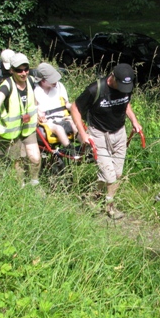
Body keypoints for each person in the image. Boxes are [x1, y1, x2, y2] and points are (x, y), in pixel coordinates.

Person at [69, 63, 142, 219]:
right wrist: (83, 133)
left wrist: (134, 121)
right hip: (98, 135)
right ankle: (110, 208)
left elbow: (125, 102)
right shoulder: (95, 89)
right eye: (121, 84)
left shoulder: (126, 86)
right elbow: (75, 108)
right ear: (112, 77)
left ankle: (92, 197)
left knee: (117, 173)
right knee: (110, 176)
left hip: (119, 133)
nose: (124, 88)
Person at [0, 52, 41, 187]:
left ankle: (34, 183)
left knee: (35, 158)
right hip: (11, 130)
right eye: (19, 70)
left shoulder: (32, 81)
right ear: (12, 70)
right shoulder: (6, 86)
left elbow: (35, 100)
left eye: (26, 69)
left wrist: (39, 112)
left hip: (28, 128)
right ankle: (20, 186)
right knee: (17, 160)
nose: (23, 73)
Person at [33, 62, 77, 149]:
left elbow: (66, 104)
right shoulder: (35, 91)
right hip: (47, 121)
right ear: (43, 80)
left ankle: (86, 147)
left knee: (74, 124)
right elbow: (33, 107)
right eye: (52, 80)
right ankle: (69, 149)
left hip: (62, 117)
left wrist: (74, 110)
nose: (55, 82)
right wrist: (37, 112)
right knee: (59, 128)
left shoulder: (59, 86)